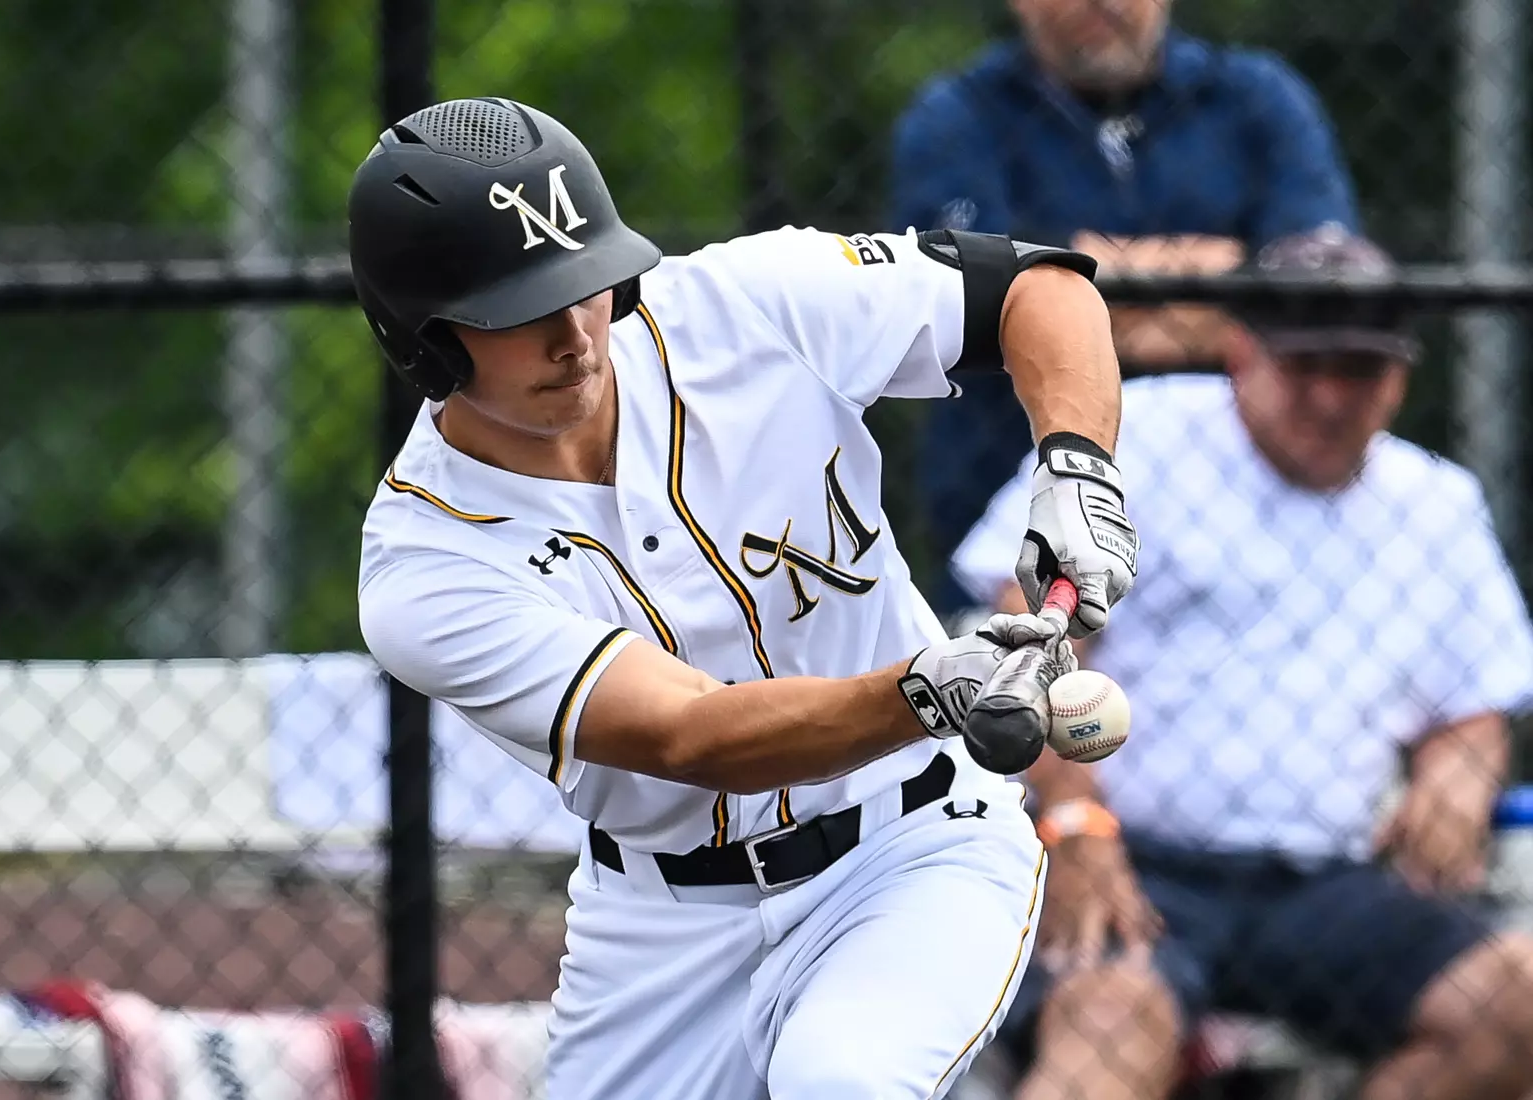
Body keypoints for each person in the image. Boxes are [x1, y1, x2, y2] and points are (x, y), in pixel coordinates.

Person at [348, 97, 1139, 1099]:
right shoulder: (426, 564)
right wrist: (926, 687)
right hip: (659, 931)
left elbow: (1035, 287)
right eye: (517, 311)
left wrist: (1075, 464)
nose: (573, 335)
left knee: (838, 1081)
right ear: (422, 340)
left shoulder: (744, 301)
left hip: (908, 843)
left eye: (585, 281)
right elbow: (694, 734)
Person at [951, 227, 1533, 1100]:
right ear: (1241, 352)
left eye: (1362, 370)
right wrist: (1073, 823)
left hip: (1327, 883)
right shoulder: (1136, 441)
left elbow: (1473, 705)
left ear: (1403, 373)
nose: (1334, 397)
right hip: (1132, 863)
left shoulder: (1435, 502)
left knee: (1517, 999)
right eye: (1306, 368)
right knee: (1111, 1025)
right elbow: (1026, 653)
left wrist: (1459, 772)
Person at [891, 0, 1360, 620]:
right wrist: (1223, 282)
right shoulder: (954, 118)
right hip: (1015, 526)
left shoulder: (1258, 99)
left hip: (1246, 534)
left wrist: (1063, 284)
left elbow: (1313, 299)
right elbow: (973, 305)